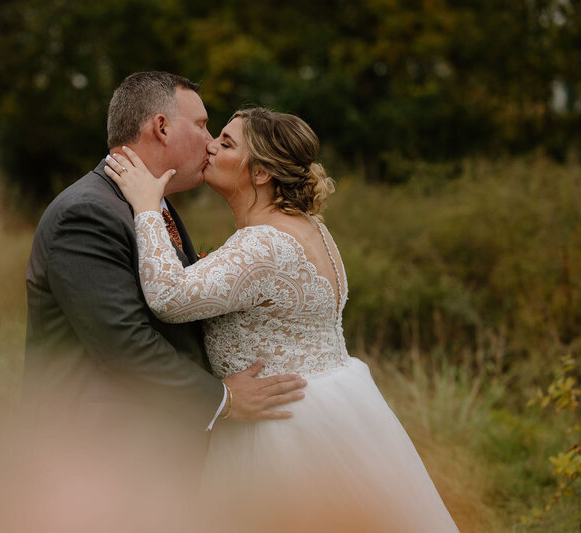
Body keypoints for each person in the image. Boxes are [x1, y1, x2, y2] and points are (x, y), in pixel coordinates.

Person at [106, 107, 460, 531]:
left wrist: (146, 208)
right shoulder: (307, 226)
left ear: (260, 174)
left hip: (280, 432)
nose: (210, 146)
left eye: (226, 141)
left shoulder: (264, 244)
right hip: (335, 411)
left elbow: (168, 297)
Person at [23, 73, 307, 483]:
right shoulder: (86, 213)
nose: (210, 141)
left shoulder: (151, 205)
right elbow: (124, 342)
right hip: (96, 458)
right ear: (160, 127)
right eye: (201, 125)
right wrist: (224, 399)